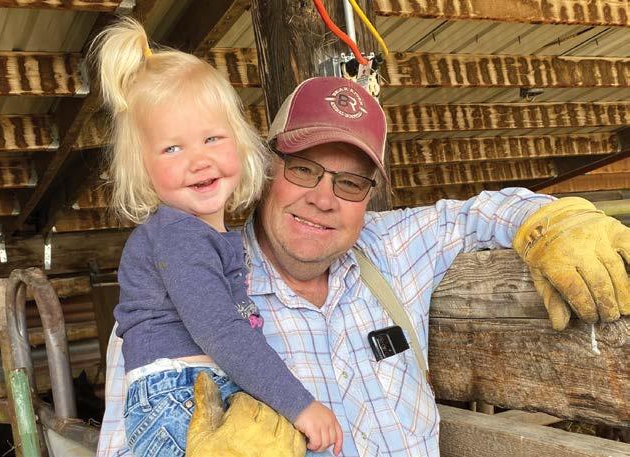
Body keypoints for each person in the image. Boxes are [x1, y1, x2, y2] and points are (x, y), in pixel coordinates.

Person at [97, 75, 630, 457]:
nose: (323, 198)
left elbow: (478, 213)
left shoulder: (391, 247)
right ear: (265, 166)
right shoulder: (179, 301)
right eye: (303, 169)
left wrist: (555, 224)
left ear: (369, 196)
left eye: (350, 182)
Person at [91, 18, 343, 457]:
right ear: (142, 167)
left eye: (212, 138)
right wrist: (299, 405)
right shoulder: (179, 236)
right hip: (179, 395)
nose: (198, 160)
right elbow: (220, 331)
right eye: (172, 148)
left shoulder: (204, 234)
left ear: (239, 143)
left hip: (198, 391)